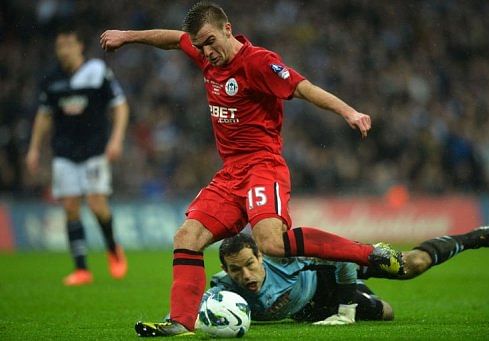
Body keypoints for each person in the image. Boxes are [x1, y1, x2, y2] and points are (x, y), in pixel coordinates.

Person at [100, 2, 403, 336]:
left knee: (271, 243)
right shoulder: (204, 52)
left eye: (210, 41)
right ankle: (181, 323)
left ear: (227, 29)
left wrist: (349, 112)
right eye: (200, 46)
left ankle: (369, 253)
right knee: (186, 237)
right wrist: (127, 36)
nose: (206, 51)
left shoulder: (259, 62)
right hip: (230, 172)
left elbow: (303, 88)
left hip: (263, 165)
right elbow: (173, 38)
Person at [205, 225, 489, 324]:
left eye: (250, 263)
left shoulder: (281, 256)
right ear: (225, 270)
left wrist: (346, 308)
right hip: (310, 308)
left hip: (330, 273)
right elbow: (196, 310)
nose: (246, 274)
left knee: (409, 266)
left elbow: (340, 259)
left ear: (260, 254)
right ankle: (356, 300)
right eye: (236, 269)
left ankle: (479, 237)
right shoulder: (224, 290)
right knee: (386, 313)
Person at [26, 27, 129, 286]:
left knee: (96, 204)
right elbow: (44, 114)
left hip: (94, 150)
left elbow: (120, 105)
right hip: (64, 152)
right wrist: (34, 148)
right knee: (70, 207)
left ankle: (113, 248)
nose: (64, 50)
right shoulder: (51, 78)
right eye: (60, 46)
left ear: (80, 46)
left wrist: (116, 139)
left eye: (69, 44)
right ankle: (81, 268)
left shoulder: (97, 72)